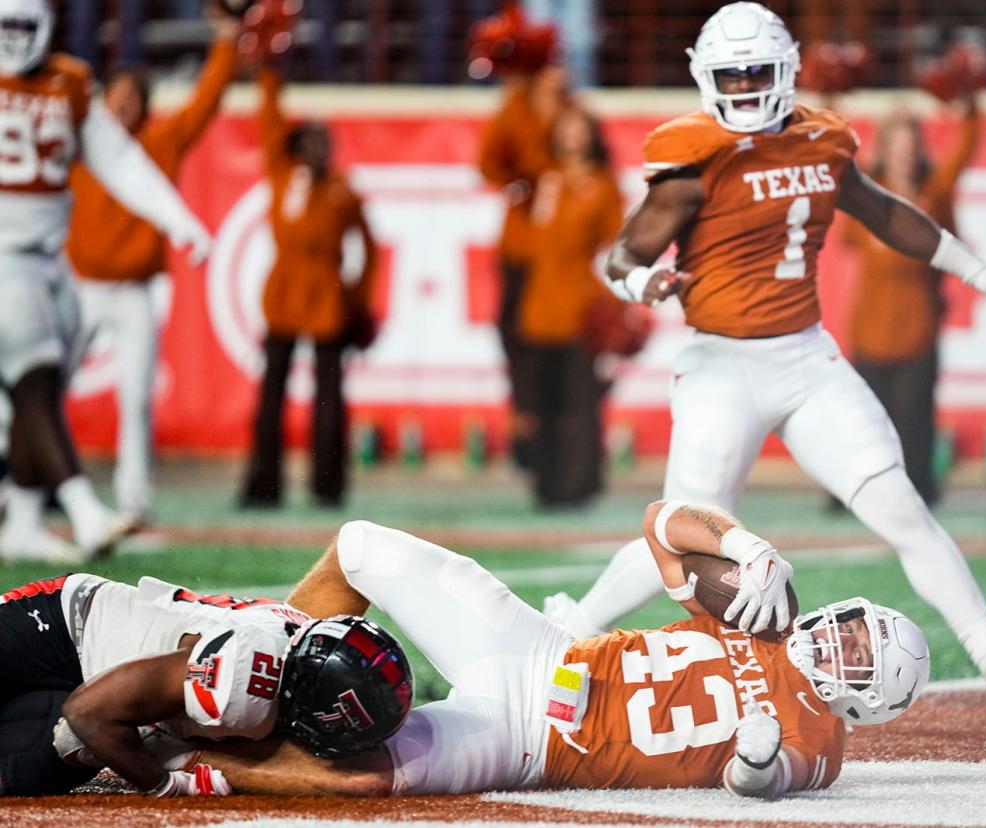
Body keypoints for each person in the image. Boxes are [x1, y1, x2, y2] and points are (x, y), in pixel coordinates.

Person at [542, 2, 986, 714]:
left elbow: (884, 213)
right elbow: (623, 253)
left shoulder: (824, 140)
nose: (748, 85)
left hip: (806, 360)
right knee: (692, 528)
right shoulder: (695, 157)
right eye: (733, 74)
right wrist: (643, 280)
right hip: (720, 366)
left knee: (901, 508)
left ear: (784, 71)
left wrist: (972, 268)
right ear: (706, 77)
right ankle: (570, 629)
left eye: (758, 71)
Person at [145, 503, 927, 798]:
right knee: (361, 548)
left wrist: (757, 764)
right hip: (542, 649)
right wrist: (745, 543)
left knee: (363, 775)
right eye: (854, 622)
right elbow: (662, 521)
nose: (840, 637)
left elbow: (763, 779)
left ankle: (176, 771)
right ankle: (246, 661)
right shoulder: (764, 614)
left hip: (528, 743)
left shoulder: (820, 742)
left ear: (870, 698)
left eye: (861, 651)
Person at [0, 0, 212, 563]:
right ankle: (82, 508)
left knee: (31, 393)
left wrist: (175, 218)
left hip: (50, 259)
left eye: (24, 25)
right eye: (7, 25)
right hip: (5, 256)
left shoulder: (69, 83)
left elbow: (118, 161)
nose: (16, 38)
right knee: (36, 379)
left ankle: (22, 517)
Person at [0, 572, 411, 797]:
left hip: (94, 681)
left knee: (17, 773)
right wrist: (164, 785)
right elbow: (89, 713)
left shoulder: (295, 642)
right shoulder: (249, 677)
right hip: (57, 624)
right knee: (91, 731)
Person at [66, 7, 241, 529]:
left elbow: (205, 102)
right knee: (39, 393)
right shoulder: (79, 143)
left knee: (136, 396)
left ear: (143, 108)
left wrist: (227, 42)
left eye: (133, 99)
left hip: (135, 290)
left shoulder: (156, 146)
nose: (123, 107)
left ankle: (133, 501)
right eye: (116, 97)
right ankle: (32, 488)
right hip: (79, 286)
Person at [237, 62, 378, 509]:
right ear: (298, 147)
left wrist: (357, 298)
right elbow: (269, 123)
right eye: (313, 142)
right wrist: (268, 75)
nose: (322, 150)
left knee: (330, 400)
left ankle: (328, 486)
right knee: (271, 397)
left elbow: (370, 246)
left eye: (327, 143)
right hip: (284, 295)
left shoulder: (341, 189)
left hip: (328, 301)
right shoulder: (284, 174)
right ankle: (263, 484)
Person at [842, 95, 981, 506]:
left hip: (918, 328)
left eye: (911, 147)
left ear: (921, 151)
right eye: (896, 147)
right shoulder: (867, 193)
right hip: (869, 327)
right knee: (864, 421)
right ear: (883, 149)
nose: (904, 156)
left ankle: (916, 491)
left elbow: (963, 157)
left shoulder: (933, 194)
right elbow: (835, 165)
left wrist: (970, 105)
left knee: (913, 420)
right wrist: (830, 102)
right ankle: (854, 493)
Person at [514, 107, 624, 506]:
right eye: (566, 127)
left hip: (582, 307)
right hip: (540, 305)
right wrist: (535, 95)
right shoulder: (543, 179)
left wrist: (614, 307)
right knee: (542, 402)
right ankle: (545, 484)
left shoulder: (602, 184)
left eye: (580, 129)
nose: (573, 136)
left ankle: (581, 484)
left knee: (581, 402)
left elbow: (616, 247)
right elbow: (499, 160)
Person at [475, 14, 571, 468]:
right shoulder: (517, 108)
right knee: (517, 340)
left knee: (554, 343)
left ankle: (556, 432)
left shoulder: (563, 110)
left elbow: (575, 164)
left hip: (556, 252)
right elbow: (489, 163)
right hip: (523, 248)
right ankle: (528, 429)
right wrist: (518, 182)